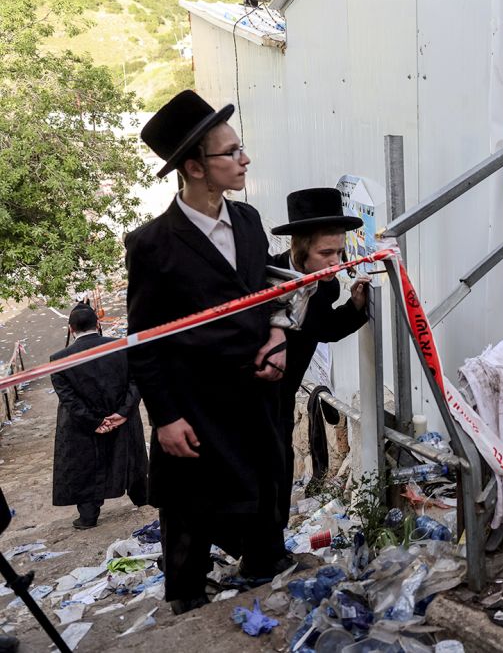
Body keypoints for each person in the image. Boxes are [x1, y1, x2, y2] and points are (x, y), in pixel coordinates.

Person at [125, 90, 289, 615]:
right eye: (231, 152)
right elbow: (143, 342)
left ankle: (264, 568)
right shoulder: (153, 244)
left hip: (252, 388)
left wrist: (278, 333)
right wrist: (165, 417)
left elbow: (269, 291)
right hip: (193, 400)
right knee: (190, 504)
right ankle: (189, 601)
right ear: (195, 167)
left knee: (264, 482)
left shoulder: (247, 220)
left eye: (241, 149)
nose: (245, 160)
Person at [271, 188, 369, 522]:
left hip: (282, 397)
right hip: (241, 394)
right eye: (326, 252)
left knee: (278, 474)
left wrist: (355, 307)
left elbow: (323, 328)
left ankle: (272, 550)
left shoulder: (327, 285)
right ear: (299, 248)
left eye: (340, 252)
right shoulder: (263, 279)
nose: (336, 263)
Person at [49, 303, 148, 529]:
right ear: (98, 323)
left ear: (71, 329)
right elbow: (137, 381)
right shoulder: (122, 347)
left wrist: (94, 421)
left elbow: (68, 398)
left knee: (87, 467)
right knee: (130, 460)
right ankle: (143, 500)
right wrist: (123, 413)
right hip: (122, 420)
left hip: (83, 427)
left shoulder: (59, 359)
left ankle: (88, 517)